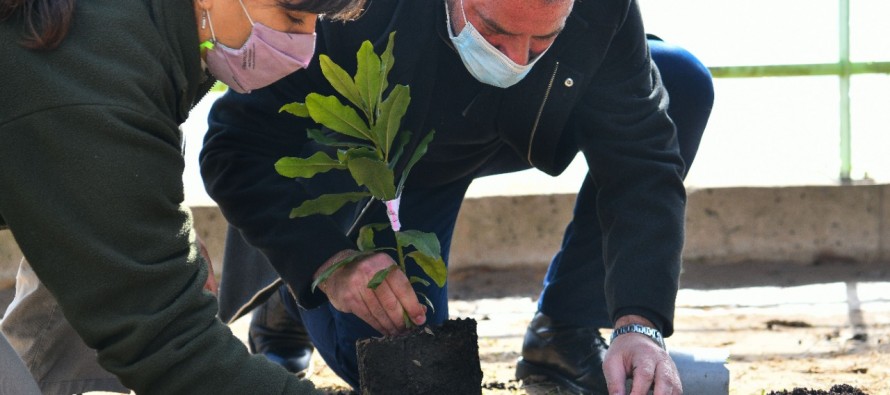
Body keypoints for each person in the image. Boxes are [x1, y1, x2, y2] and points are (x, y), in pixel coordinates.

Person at [200, 0, 715, 393]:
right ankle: (293, 296)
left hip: (500, 130)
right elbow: (234, 150)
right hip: (373, 166)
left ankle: (567, 328)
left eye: (542, 41)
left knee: (679, 80)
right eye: (494, 31)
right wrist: (324, 261)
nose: (515, 60)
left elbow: (641, 162)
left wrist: (639, 323)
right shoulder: (347, 9)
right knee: (420, 374)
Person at [0, 0, 365, 393]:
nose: (305, 43)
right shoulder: (93, 81)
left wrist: (166, 243)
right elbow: (170, 346)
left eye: (314, 23)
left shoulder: (149, 32)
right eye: (292, 17)